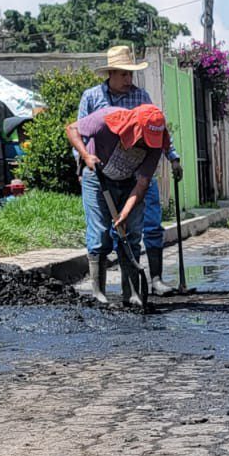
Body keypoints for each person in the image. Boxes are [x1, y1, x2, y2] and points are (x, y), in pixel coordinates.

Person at [73, 45, 182, 301]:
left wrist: (173, 157)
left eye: (130, 74)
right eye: (123, 74)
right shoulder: (94, 100)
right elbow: (78, 131)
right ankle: (99, 292)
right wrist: (83, 161)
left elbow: (156, 130)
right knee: (100, 233)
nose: (128, 79)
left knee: (138, 228)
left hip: (133, 172)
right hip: (100, 173)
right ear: (110, 73)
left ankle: (136, 288)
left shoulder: (141, 97)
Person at [65, 104, 172, 307]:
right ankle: (98, 293)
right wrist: (86, 155)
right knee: (100, 234)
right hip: (97, 178)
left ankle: (131, 294)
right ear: (134, 128)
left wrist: (124, 212)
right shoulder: (106, 120)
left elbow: (142, 184)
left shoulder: (156, 145)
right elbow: (72, 129)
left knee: (131, 235)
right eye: (143, 138)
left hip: (129, 183)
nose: (144, 143)